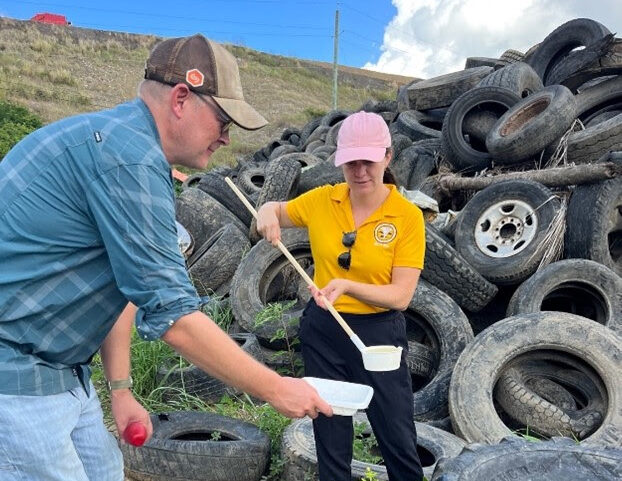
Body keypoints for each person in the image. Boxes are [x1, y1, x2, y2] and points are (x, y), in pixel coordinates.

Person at [0, 34, 331, 481]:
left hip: (61, 370)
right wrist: (277, 389)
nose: (227, 138)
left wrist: (120, 390)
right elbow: (173, 315)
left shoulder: (121, 143)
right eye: (223, 120)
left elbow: (123, 288)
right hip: (16, 375)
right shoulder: (129, 160)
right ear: (181, 98)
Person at [256, 111, 426, 481]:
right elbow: (277, 210)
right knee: (330, 433)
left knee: (395, 433)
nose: (360, 170)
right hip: (324, 331)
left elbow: (400, 296)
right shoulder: (322, 201)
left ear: (388, 156)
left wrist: (347, 286)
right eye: (351, 162)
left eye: (368, 160)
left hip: (379, 337)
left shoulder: (407, 217)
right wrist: (267, 211)